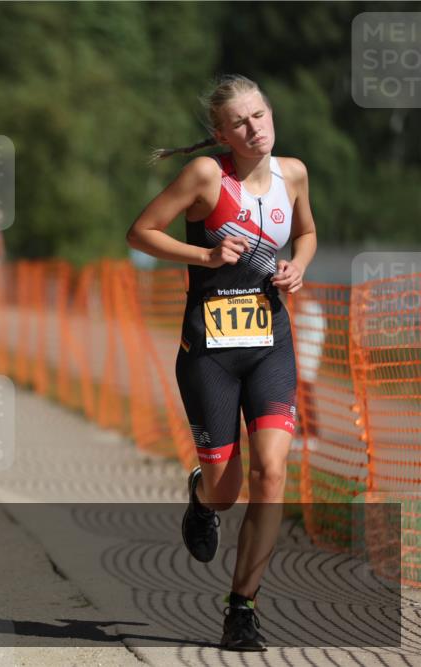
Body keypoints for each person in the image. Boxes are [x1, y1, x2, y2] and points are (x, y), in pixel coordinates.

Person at [126, 75, 317, 651]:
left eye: (259, 115)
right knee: (226, 490)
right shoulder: (208, 177)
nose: (254, 128)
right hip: (209, 348)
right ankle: (200, 494)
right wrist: (205, 254)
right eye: (240, 122)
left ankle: (242, 607)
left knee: (272, 472)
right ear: (221, 133)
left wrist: (299, 265)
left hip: (270, 343)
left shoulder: (295, 173)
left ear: (270, 113)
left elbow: (305, 232)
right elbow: (140, 233)